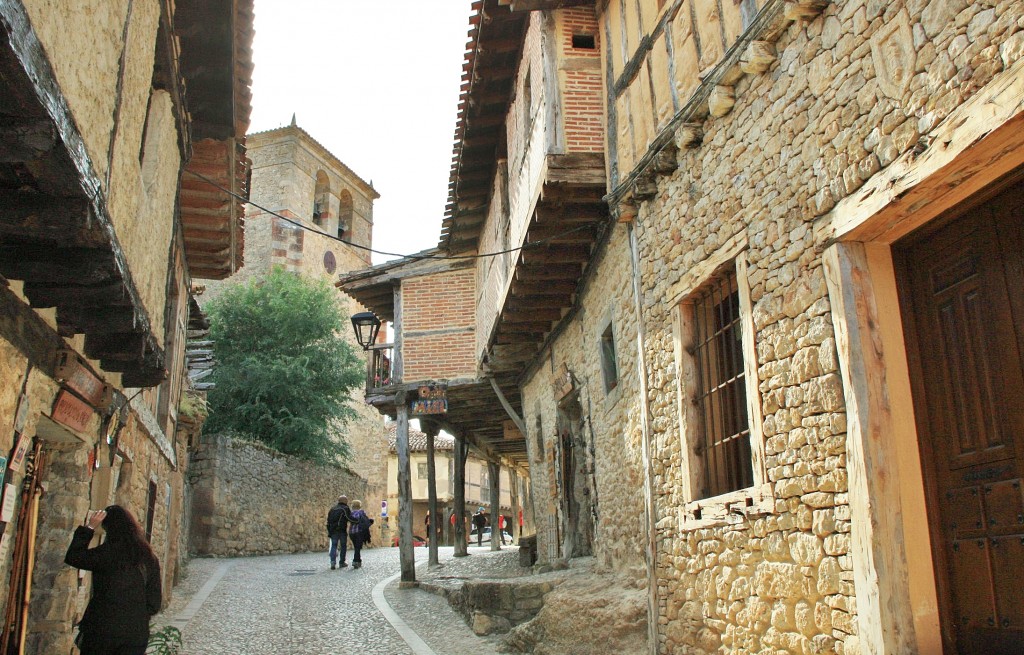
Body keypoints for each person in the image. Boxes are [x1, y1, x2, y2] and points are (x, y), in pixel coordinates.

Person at [64, 505, 162, 655]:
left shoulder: (106, 553)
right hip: (134, 633)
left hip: (101, 629)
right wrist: (136, 614)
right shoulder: (148, 557)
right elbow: (154, 602)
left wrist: (90, 527)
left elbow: (74, 557)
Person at [326, 495, 355, 570]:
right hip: (341, 530)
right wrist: (357, 521)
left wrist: (329, 530)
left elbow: (328, 520)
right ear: (345, 501)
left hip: (333, 530)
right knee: (343, 546)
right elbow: (349, 518)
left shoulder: (332, 509)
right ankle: (342, 562)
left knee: (334, 546)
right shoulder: (345, 508)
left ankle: (332, 562)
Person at [348, 500, 373, 569]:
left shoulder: (350, 513)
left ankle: (358, 560)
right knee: (357, 547)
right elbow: (365, 522)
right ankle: (355, 561)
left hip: (351, 532)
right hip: (359, 532)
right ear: (360, 506)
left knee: (356, 547)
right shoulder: (361, 513)